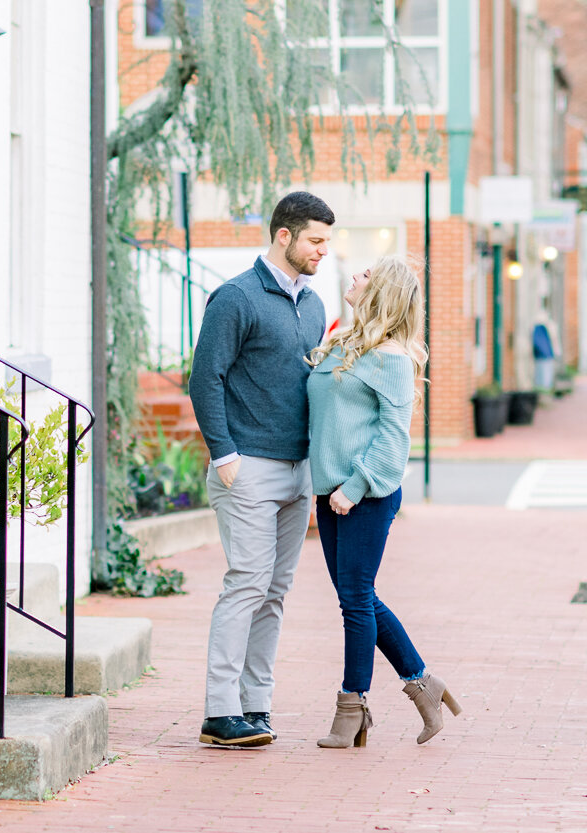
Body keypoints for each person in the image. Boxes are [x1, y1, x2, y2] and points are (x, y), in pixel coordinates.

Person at [189, 191, 335, 747]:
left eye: (326, 241)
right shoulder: (236, 298)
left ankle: (255, 704)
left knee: (274, 591)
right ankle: (219, 710)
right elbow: (207, 378)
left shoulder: (315, 305)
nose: (323, 251)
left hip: (299, 472)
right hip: (246, 467)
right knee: (246, 584)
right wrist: (225, 456)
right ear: (284, 236)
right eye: (315, 241)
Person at [306, 255, 461, 749]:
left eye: (366, 274)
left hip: (364, 495)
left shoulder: (392, 358)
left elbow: (395, 440)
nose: (355, 276)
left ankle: (351, 708)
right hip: (330, 492)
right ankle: (422, 686)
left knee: (355, 601)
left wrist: (353, 489)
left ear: (384, 293)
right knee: (360, 598)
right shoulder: (345, 343)